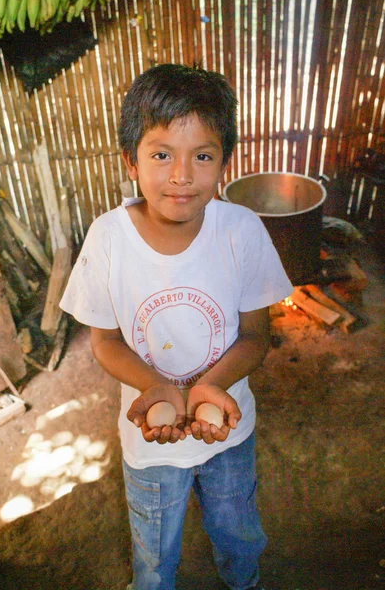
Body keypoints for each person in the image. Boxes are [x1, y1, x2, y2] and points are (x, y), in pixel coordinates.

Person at [60, 63, 293, 590]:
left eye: (202, 156)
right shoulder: (108, 239)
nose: (182, 175)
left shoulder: (241, 230)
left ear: (223, 163)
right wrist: (156, 387)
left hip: (230, 428)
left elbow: (256, 335)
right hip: (149, 438)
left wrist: (210, 386)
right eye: (161, 154)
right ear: (131, 161)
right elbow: (105, 341)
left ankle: (244, 581)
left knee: (237, 532)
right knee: (154, 548)